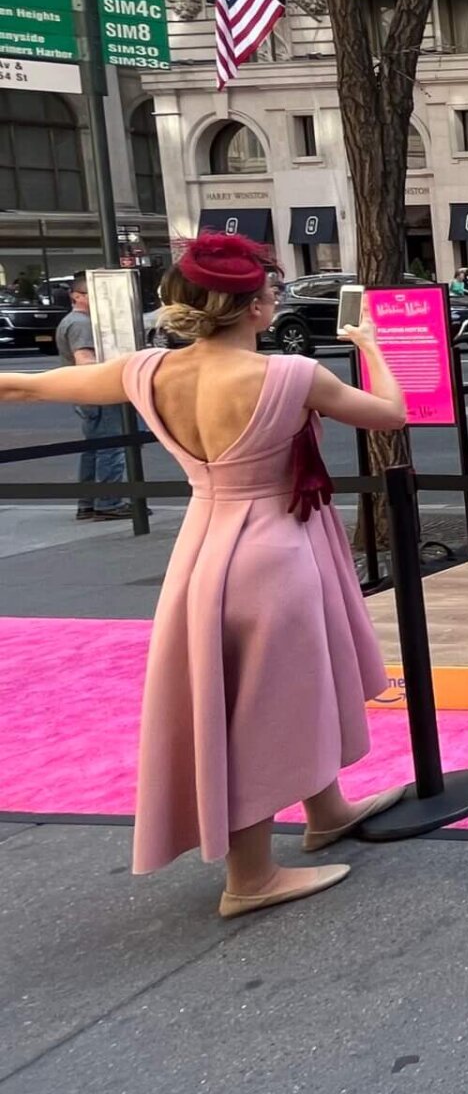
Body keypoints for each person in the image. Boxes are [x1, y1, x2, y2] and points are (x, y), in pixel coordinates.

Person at [0, 234, 413, 917]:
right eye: (272, 294)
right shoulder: (290, 376)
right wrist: (369, 345)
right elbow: (391, 414)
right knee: (264, 705)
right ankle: (250, 876)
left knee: (258, 692)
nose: (277, 302)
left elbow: (25, 385)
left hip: (204, 547)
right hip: (276, 550)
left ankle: (327, 808)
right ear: (252, 309)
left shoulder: (146, 372)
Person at [56, 274, 130, 521]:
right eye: (92, 295)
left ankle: (88, 502)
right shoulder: (81, 324)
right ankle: (109, 502)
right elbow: (85, 360)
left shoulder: (73, 321)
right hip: (97, 392)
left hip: (85, 394)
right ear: (77, 296)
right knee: (111, 448)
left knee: (93, 449)